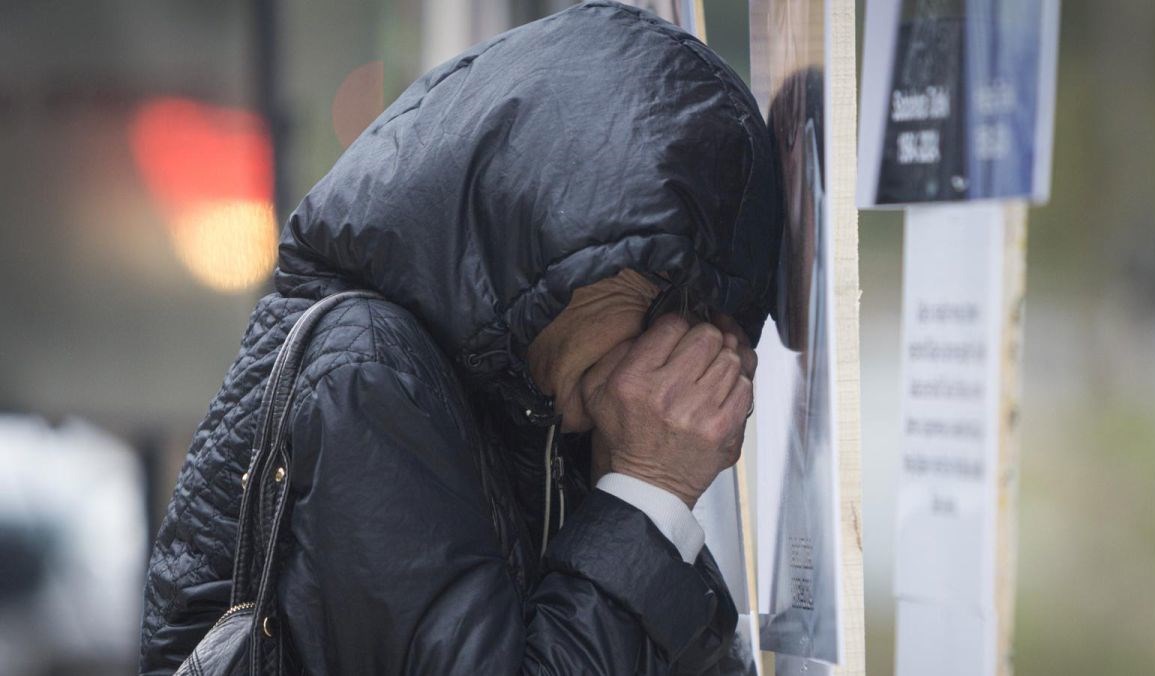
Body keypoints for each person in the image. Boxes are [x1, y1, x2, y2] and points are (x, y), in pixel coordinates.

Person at [139, 1, 781, 674]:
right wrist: (647, 493)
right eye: (664, 295)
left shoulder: (519, 408)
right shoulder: (369, 374)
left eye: (705, 316)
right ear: (558, 242)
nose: (675, 346)